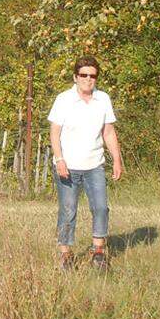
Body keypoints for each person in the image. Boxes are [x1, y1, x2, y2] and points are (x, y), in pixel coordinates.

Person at [49, 55, 124, 271]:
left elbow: (108, 132)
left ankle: (98, 252)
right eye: (84, 75)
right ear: (76, 77)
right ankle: (66, 255)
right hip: (68, 166)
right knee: (68, 209)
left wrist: (117, 160)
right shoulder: (63, 99)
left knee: (101, 208)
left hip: (95, 165)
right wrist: (59, 159)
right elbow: (55, 132)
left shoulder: (103, 99)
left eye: (92, 76)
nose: (88, 79)